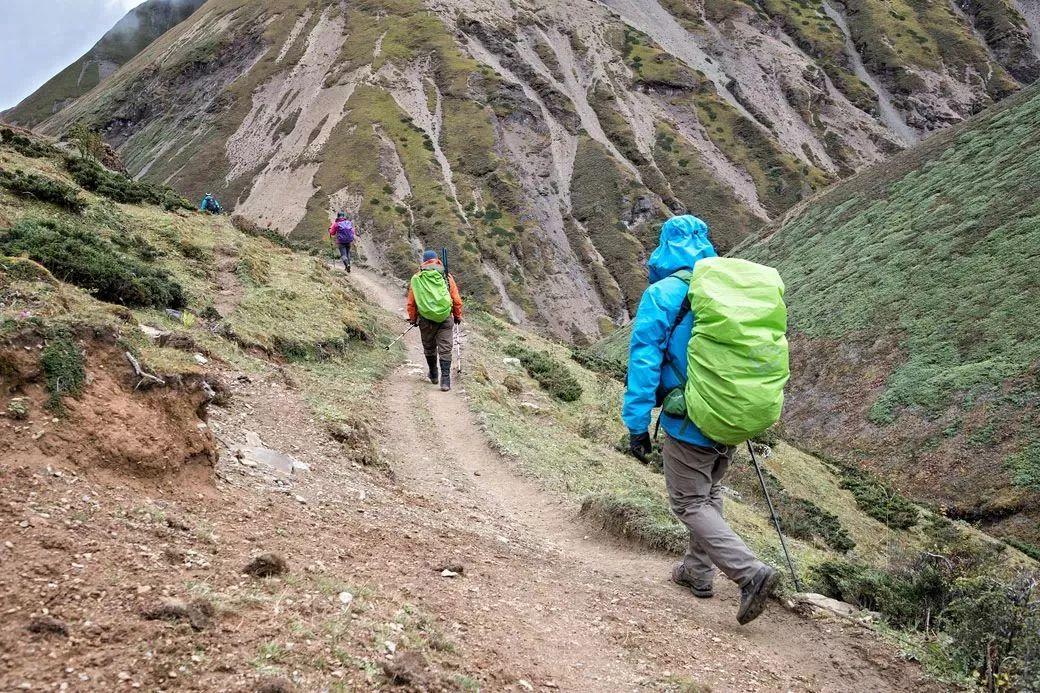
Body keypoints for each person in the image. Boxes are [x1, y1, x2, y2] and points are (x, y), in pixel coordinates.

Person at [622, 215, 779, 626]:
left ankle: (750, 573)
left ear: (663, 248)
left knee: (689, 501)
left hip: (691, 417)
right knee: (707, 495)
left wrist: (637, 424)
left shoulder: (663, 294)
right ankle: (697, 573)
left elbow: (643, 360)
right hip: (732, 412)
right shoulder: (722, 290)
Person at [406, 250, 463, 391]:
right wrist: (457, 315)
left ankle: (433, 374)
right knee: (445, 348)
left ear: (424, 261)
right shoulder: (446, 276)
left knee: (429, 346)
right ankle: (445, 381)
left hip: (426, 319)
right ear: (437, 260)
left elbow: (412, 302)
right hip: (445, 318)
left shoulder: (417, 278)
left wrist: (413, 318)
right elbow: (455, 299)